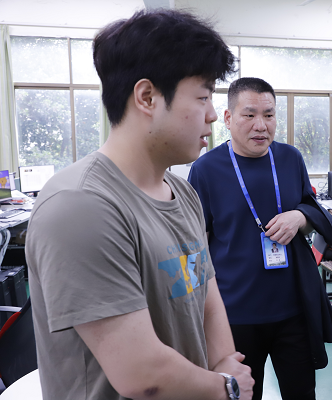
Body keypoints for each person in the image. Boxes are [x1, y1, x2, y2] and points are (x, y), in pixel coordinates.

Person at [25, 9, 254, 400]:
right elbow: (142, 373)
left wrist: (223, 363)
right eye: (202, 97)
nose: (213, 115)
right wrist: (226, 387)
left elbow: (206, 297)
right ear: (147, 97)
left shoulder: (182, 194)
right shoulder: (80, 207)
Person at [188, 77, 332, 400]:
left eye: (269, 115)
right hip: (234, 315)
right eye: (249, 115)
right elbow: (196, 244)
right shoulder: (205, 170)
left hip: (293, 311)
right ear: (228, 118)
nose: (261, 125)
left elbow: (311, 207)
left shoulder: (290, 158)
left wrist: (299, 216)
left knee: (302, 393)